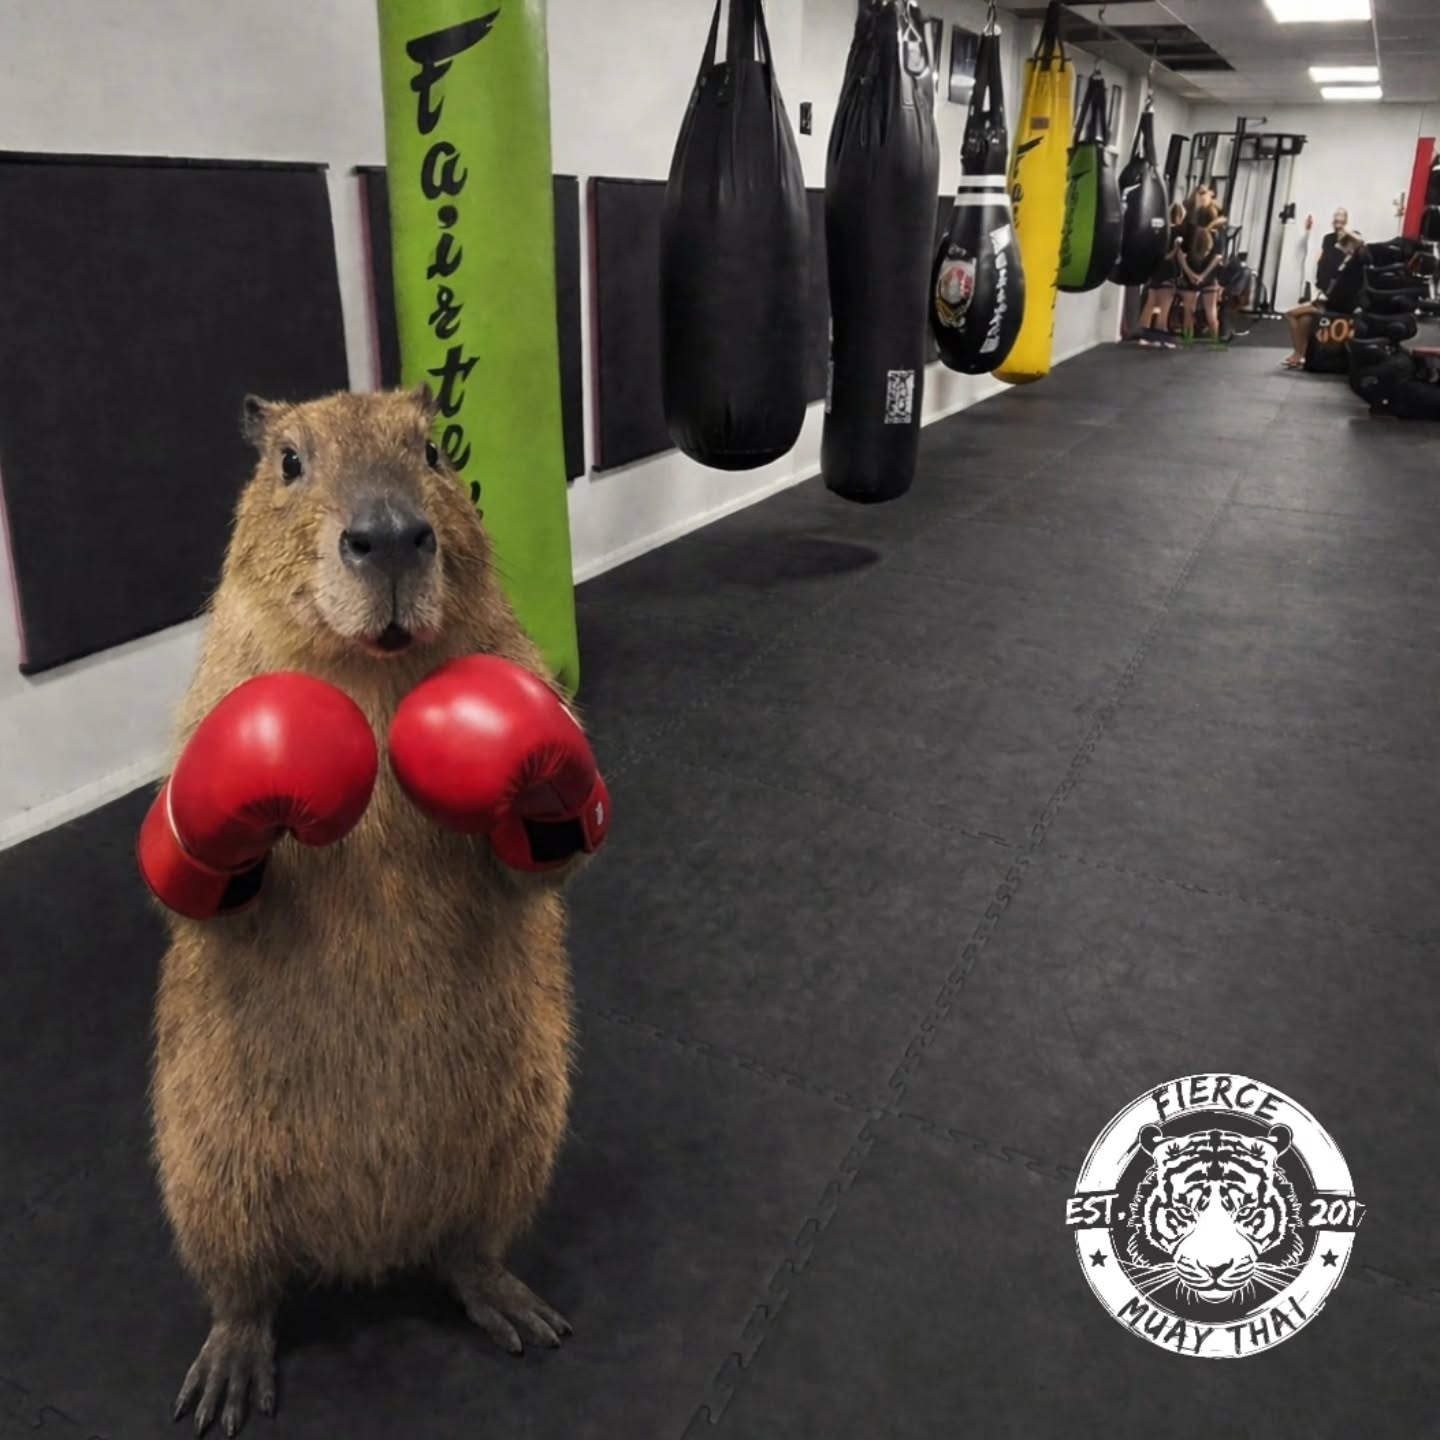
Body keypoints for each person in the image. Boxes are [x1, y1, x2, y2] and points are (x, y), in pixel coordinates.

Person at [1282, 230, 1364, 369]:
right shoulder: (1345, 262)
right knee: (1305, 319)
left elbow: (1360, 242)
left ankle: (1298, 354)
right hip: (1330, 302)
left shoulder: (1357, 262)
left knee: (1290, 314)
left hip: (1336, 306)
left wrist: (1347, 232)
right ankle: (1301, 354)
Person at [1177, 186, 1229, 346]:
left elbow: (1180, 254)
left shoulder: (1189, 231)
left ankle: (1187, 340)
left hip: (1190, 274)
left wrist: (1190, 273)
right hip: (1208, 277)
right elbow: (1218, 257)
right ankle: (1216, 343)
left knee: (1188, 311)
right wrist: (1204, 275)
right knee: (1211, 312)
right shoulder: (1217, 233)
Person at [1137, 201, 1187, 348]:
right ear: (1180, 217)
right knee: (1164, 308)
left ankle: (1144, 337)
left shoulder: (1158, 232)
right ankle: (1160, 339)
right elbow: (1173, 256)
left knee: (1150, 304)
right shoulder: (1177, 234)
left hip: (1155, 271)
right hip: (1168, 273)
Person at [1316, 207, 1352, 295]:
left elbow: (1347, 261)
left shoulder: (1350, 239)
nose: (1338, 218)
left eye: (1341, 215)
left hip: (1339, 283)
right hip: (1324, 283)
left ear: (1346, 220)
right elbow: (1324, 258)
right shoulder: (1327, 238)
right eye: (1336, 215)